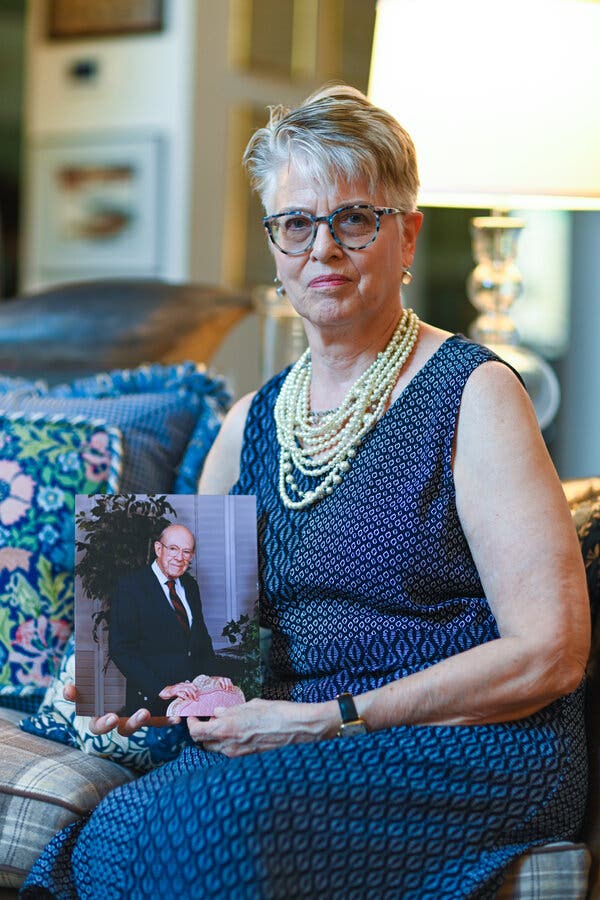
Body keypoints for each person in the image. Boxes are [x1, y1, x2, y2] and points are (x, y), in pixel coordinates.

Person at [23, 85, 590, 899]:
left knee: (203, 830)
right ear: (275, 246)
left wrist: (329, 718)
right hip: (283, 736)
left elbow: (551, 654)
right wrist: (142, 689)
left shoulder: (474, 394)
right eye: (295, 224)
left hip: (460, 744)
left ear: (407, 236)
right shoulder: (249, 421)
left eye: (353, 218)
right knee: (119, 825)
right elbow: (203, 654)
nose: (321, 248)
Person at [109, 524, 230, 716]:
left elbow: (201, 640)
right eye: (173, 549)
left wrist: (212, 677)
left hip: (192, 701)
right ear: (158, 549)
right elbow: (121, 649)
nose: (180, 558)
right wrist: (161, 689)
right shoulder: (130, 586)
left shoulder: (190, 585)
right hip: (150, 704)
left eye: (187, 552)